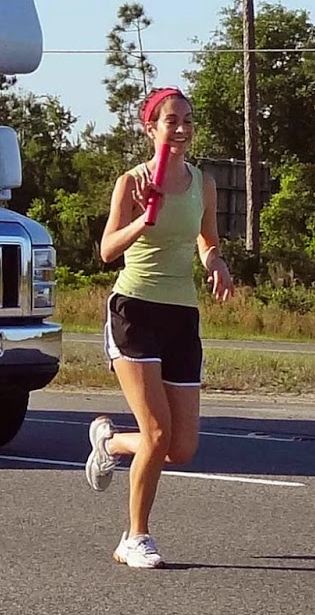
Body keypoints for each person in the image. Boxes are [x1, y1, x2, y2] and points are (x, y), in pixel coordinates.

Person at [84, 86, 234, 569]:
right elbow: (107, 250)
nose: (184, 129)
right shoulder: (132, 181)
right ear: (151, 128)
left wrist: (216, 263)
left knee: (181, 447)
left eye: (189, 120)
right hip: (135, 311)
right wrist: (141, 223)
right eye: (173, 120)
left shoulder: (202, 183)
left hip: (181, 315)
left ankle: (108, 442)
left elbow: (206, 240)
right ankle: (135, 538)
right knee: (155, 432)